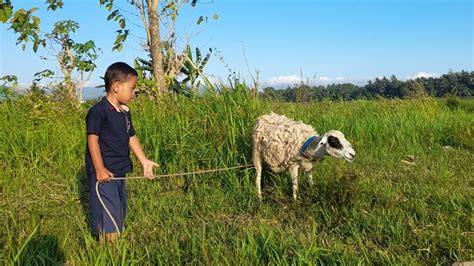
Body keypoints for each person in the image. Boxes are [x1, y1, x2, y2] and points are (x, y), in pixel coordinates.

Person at [85, 62, 158, 242]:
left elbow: (130, 136)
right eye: (132, 88)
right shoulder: (98, 111)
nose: (134, 93)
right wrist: (100, 169)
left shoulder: (124, 113)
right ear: (116, 86)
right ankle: (112, 253)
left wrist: (144, 161)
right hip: (105, 172)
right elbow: (92, 140)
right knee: (109, 217)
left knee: (118, 212)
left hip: (119, 171)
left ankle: (111, 247)